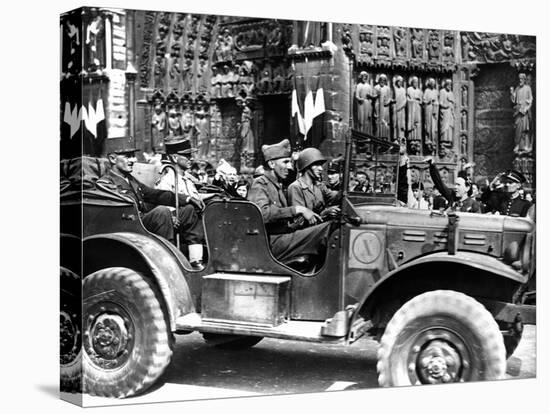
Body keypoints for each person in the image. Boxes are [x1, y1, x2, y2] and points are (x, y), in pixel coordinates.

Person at [97, 148, 206, 270]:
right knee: (162, 212)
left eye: (133, 156)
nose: (133, 160)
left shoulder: (131, 179)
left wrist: (187, 198)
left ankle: (196, 260)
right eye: (128, 156)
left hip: (140, 222)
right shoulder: (105, 183)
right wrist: (169, 215)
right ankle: (170, 262)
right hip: (129, 226)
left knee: (189, 210)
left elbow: (155, 194)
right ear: (112, 159)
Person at [248, 139, 332, 266]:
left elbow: (280, 221)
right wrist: (298, 209)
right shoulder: (260, 184)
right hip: (270, 244)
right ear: (271, 164)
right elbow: (261, 214)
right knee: (327, 229)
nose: (290, 167)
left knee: (329, 225)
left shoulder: (277, 185)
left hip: (280, 238)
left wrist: (295, 224)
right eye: (285, 162)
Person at [287, 148, 340, 226]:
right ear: (306, 166)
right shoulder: (295, 187)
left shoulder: (319, 185)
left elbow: (334, 196)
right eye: (316, 165)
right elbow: (299, 222)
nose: (321, 169)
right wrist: (324, 214)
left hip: (320, 227)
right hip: (306, 233)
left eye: (321, 165)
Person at [510, 73, 533, 155]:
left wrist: (526, 108)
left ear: (524, 79)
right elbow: (513, 100)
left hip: (524, 112)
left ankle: (525, 146)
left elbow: (530, 100)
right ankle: (517, 145)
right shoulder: (517, 88)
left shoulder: (528, 88)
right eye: (519, 79)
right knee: (517, 128)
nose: (520, 80)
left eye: (522, 79)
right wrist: (512, 93)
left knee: (525, 129)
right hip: (518, 111)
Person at [439, 79, 455, 145]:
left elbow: (454, 102)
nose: (449, 86)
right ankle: (443, 140)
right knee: (444, 126)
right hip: (444, 111)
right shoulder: (442, 91)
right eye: (448, 85)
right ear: (445, 84)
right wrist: (446, 105)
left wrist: (451, 102)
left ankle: (449, 140)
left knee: (449, 127)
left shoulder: (451, 93)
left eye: (450, 85)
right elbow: (440, 102)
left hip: (450, 112)